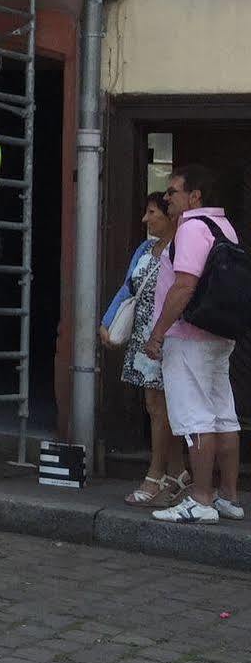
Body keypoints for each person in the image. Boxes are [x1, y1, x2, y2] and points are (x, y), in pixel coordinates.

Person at [143, 165, 243, 523]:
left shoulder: (191, 229)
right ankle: (228, 497)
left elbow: (184, 285)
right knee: (223, 415)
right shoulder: (224, 227)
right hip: (220, 335)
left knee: (195, 416)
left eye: (172, 191)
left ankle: (200, 499)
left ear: (194, 196)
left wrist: (157, 333)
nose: (167, 197)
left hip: (189, 337)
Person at [99, 192, 188, 507]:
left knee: (160, 407)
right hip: (141, 339)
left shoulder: (182, 250)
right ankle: (177, 472)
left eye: (152, 212)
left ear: (170, 215)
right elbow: (128, 288)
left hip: (167, 337)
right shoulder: (145, 248)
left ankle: (155, 475)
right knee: (156, 407)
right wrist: (107, 321)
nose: (145, 219)